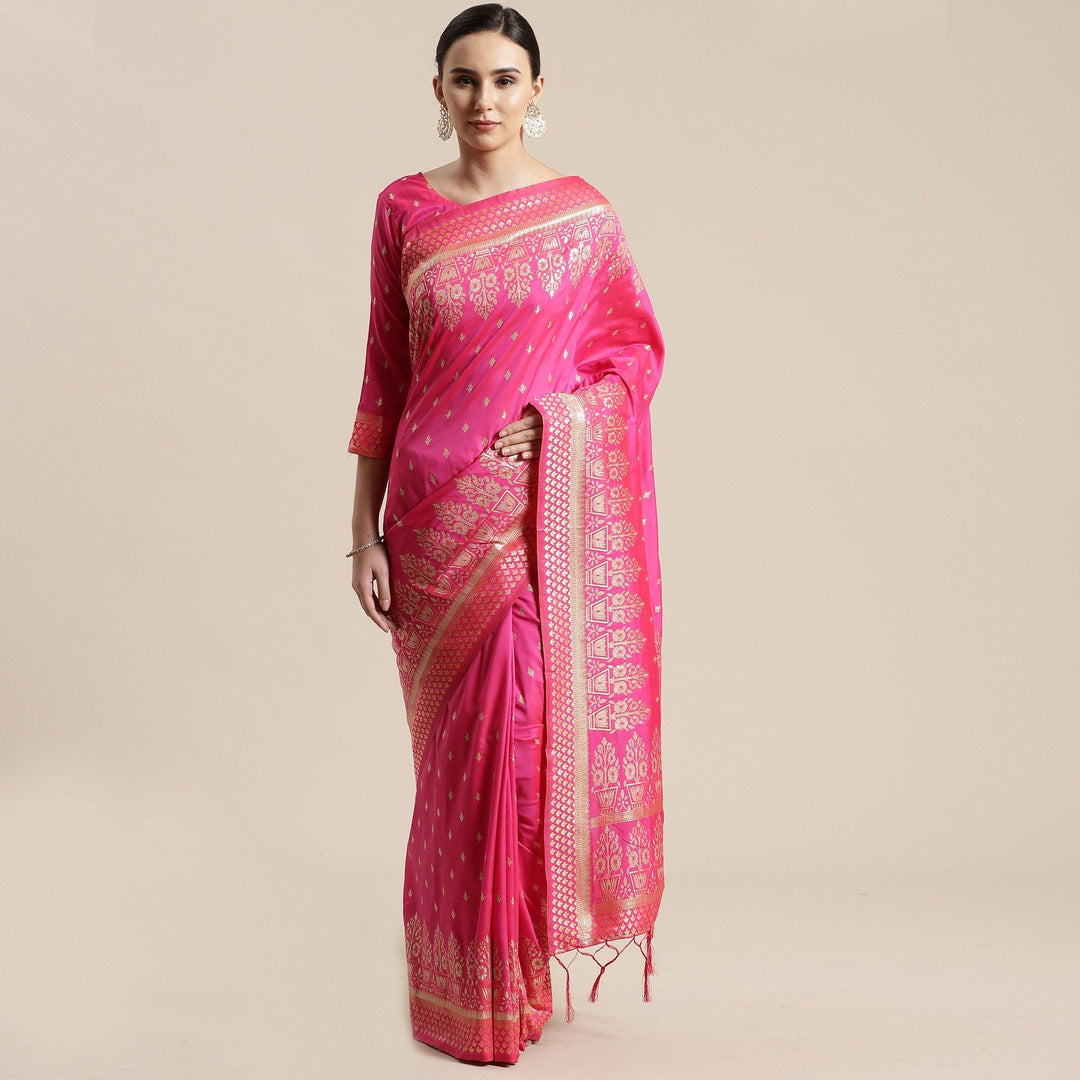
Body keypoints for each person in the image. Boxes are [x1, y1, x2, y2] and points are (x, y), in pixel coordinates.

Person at [345, 3, 666, 1065]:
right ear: (438, 92)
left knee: (514, 751)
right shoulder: (403, 210)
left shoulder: (582, 220)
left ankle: (508, 985)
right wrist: (363, 534)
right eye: (465, 79)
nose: (485, 99)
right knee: (452, 767)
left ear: (536, 91)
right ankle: (455, 990)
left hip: (527, 523)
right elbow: (384, 380)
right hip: (426, 525)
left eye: (503, 79)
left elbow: (632, 361)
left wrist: (560, 423)